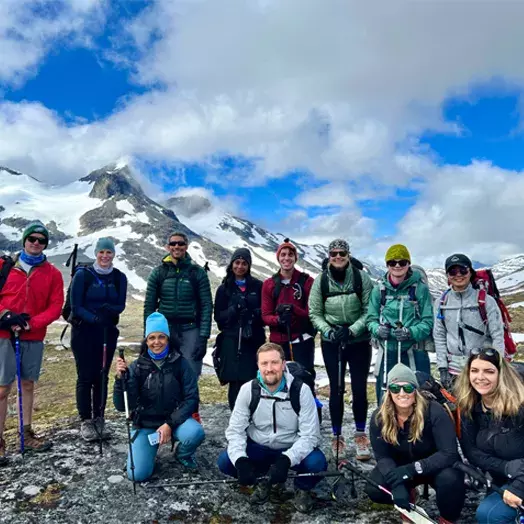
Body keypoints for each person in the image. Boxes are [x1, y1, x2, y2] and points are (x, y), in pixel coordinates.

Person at [217, 342, 327, 513]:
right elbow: (235, 431)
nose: (269, 368)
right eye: (264, 363)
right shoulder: (248, 390)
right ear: (258, 365)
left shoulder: (301, 391)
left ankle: (302, 487)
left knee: (317, 463)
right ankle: (262, 480)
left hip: (291, 445)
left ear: (283, 364)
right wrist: (240, 460)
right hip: (259, 446)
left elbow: (310, 436)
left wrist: (287, 459)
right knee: (226, 462)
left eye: (274, 362)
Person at [366, 364, 464, 524]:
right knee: (375, 488)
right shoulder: (379, 417)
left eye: (408, 388)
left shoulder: (434, 411)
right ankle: (409, 497)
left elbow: (449, 453)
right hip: (402, 466)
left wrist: (411, 469)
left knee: (451, 480)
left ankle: (447, 519)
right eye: (395, 388)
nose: (402, 393)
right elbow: (382, 456)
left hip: (435, 466)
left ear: (416, 390)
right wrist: (397, 484)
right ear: (389, 391)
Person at [114, 312, 205, 480]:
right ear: (146, 341)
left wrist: (169, 424)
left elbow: (191, 398)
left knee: (195, 432)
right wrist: (121, 380)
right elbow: (122, 406)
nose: (157, 342)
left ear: (168, 338)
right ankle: (144, 452)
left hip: (175, 422)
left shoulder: (181, 364)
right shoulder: (136, 367)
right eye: (152, 338)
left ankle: (182, 454)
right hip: (146, 425)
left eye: (161, 337)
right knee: (137, 474)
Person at [0, 222, 64, 461]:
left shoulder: (53, 273)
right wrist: (5, 316)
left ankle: (26, 433)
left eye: (41, 240)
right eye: (32, 239)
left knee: (27, 384)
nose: (36, 243)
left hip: (33, 336)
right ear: (24, 240)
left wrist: (30, 324)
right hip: (4, 335)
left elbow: (55, 307)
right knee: (2, 388)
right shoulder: (5, 266)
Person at [308, 239, 373, 460]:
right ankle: (336, 437)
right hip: (332, 341)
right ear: (329, 255)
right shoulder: (321, 281)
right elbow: (315, 312)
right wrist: (328, 332)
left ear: (348, 255)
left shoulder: (361, 277)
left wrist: (353, 330)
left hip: (359, 341)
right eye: (334, 253)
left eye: (342, 253)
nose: (338, 257)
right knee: (336, 389)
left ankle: (360, 434)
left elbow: (369, 309)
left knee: (359, 388)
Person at [456, 348, 524, 523]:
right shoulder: (469, 408)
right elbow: (472, 453)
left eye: (489, 371)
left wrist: (519, 487)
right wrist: (506, 468)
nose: (480, 377)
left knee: (491, 515)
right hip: (503, 478)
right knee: (487, 514)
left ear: (501, 375)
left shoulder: (520, 406)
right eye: (474, 370)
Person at [70, 238, 127, 442]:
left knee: (102, 375)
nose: (105, 256)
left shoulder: (119, 277)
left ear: (113, 254)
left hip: (106, 332)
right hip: (84, 332)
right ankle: (86, 421)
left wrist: (108, 312)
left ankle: (99, 418)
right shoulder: (82, 275)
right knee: (86, 376)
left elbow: (120, 304)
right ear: (96, 253)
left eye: (109, 252)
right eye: (101, 252)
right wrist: (94, 317)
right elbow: (76, 306)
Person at [367, 244, 433, 404]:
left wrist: (410, 332)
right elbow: (370, 319)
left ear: (408, 264)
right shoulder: (379, 290)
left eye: (402, 262)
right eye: (392, 262)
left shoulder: (420, 289)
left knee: (419, 397)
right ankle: (386, 428)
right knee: (386, 398)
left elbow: (428, 321)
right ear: (387, 264)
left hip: (415, 352)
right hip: (387, 353)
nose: (397, 266)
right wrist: (377, 330)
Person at [144, 231, 212, 378]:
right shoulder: (158, 273)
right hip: (165, 330)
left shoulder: (197, 273)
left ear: (186, 247)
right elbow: (149, 305)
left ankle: (191, 401)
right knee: (165, 373)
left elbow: (206, 305)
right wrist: (148, 334)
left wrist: (203, 337)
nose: (177, 246)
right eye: (173, 243)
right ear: (167, 247)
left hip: (191, 329)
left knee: (191, 373)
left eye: (180, 243)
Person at [434, 254, 504, 390]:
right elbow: (439, 335)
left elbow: (497, 335)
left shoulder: (486, 301)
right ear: (447, 276)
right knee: (459, 409)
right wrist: (442, 367)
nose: (458, 275)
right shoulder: (441, 303)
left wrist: (498, 366)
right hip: (454, 370)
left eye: (463, 270)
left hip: (482, 368)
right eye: (452, 271)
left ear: (470, 272)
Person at [214, 248, 265, 410]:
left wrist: (252, 314)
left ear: (249, 266)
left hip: (253, 339)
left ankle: (254, 416)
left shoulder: (258, 286)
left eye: (244, 263)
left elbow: (265, 313)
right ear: (232, 264)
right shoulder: (224, 289)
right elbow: (218, 318)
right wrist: (233, 310)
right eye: (237, 262)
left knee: (253, 379)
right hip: (231, 341)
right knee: (235, 382)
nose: (240, 267)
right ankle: (237, 418)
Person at [261, 238, 316, 377]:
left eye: (290, 255)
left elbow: (312, 313)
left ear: (295, 258)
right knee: (279, 379)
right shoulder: (269, 284)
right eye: (283, 254)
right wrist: (279, 320)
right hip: (278, 342)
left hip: (302, 340)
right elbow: (266, 315)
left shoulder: (307, 281)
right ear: (278, 257)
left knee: (305, 378)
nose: (286, 258)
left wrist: (293, 310)